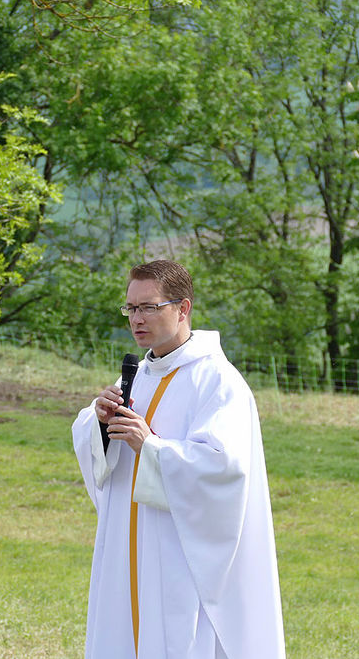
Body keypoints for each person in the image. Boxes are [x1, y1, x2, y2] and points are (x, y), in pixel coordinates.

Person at [71, 260, 285, 659]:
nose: (137, 319)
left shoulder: (218, 382)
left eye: (148, 307)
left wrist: (152, 448)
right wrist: (98, 423)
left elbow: (224, 470)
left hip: (176, 552)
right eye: (131, 308)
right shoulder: (137, 375)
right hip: (128, 547)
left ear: (182, 308)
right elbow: (99, 451)